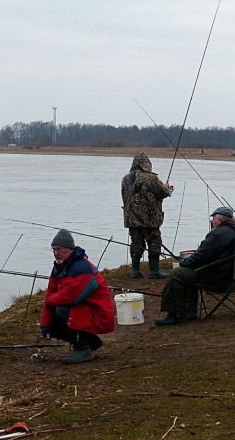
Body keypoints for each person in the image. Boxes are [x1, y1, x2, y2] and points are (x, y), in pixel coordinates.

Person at [155, 207, 235, 326]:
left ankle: (175, 315)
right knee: (188, 273)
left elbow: (200, 256)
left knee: (177, 274)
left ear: (220, 220)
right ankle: (189, 312)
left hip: (217, 278)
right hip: (231, 276)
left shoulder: (218, 234)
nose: (212, 221)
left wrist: (182, 263)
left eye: (213, 218)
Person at [40, 229, 115, 364]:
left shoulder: (82, 268)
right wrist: (45, 325)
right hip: (83, 310)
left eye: (60, 249)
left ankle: (82, 349)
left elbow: (71, 298)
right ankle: (91, 341)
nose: (56, 253)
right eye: (54, 249)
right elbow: (50, 294)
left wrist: (49, 302)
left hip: (97, 312)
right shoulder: (58, 267)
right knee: (53, 323)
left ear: (70, 249)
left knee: (62, 309)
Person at [121, 153, 172, 279]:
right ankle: (154, 272)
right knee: (154, 242)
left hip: (131, 218)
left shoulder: (125, 179)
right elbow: (163, 193)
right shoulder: (151, 178)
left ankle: (135, 271)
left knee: (136, 243)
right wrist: (167, 188)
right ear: (146, 164)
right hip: (149, 218)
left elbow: (124, 196)